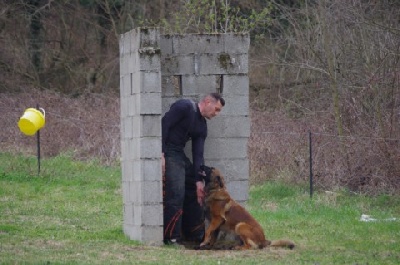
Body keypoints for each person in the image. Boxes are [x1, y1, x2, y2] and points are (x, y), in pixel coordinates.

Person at [162, 93, 225, 245]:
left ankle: (194, 234)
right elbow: (164, 124)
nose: (216, 114)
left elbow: (198, 155)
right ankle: (171, 238)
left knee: (195, 190)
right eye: (216, 109)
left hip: (179, 153)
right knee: (176, 192)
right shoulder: (185, 106)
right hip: (169, 150)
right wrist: (160, 153)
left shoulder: (202, 126)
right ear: (208, 101)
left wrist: (198, 181)